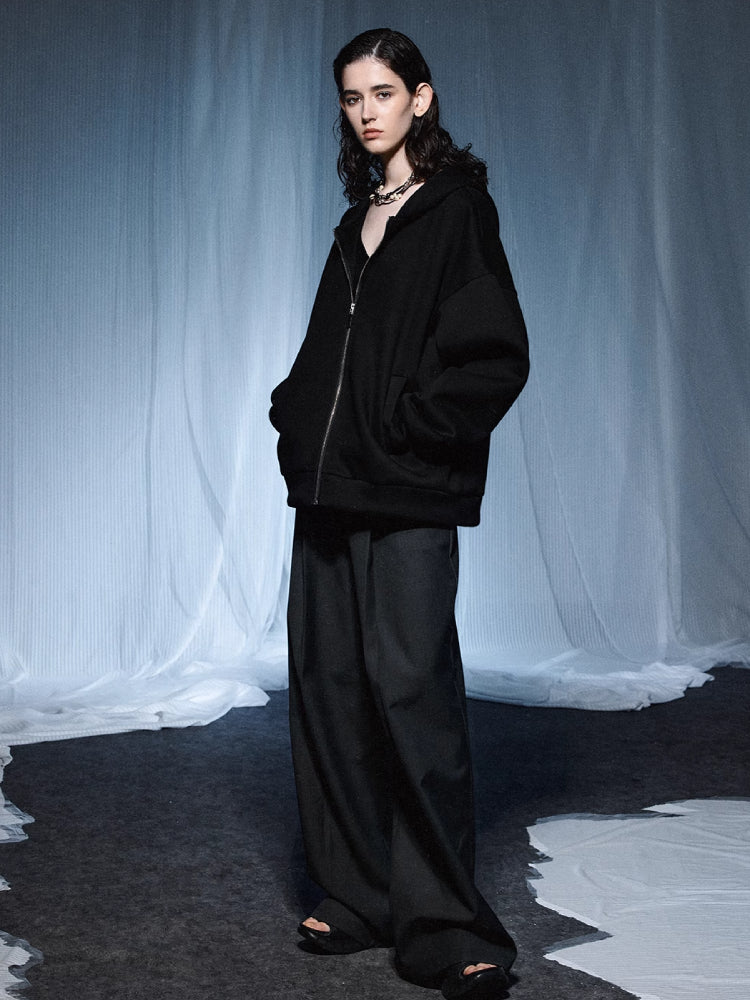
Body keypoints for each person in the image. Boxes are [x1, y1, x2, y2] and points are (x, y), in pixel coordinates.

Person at [269, 27, 529, 1000]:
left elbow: (495, 354)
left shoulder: (456, 210)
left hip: (408, 486)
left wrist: (414, 430)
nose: (366, 112)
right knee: (331, 689)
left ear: (422, 98)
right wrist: (297, 415)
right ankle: (357, 892)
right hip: (330, 490)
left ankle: (443, 921)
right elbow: (325, 357)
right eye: (352, 97)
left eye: (383, 92)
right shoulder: (358, 221)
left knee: (411, 692)